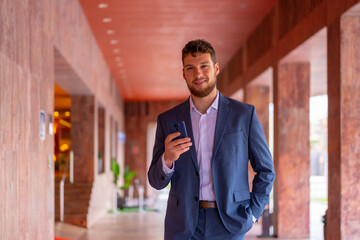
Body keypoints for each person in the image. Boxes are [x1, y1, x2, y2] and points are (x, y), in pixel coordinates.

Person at [148, 39, 275, 240]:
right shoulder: (168, 120)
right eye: (190, 68)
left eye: (204, 66)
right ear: (183, 73)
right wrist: (167, 159)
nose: (197, 74)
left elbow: (266, 170)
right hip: (182, 225)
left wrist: (252, 214)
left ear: (216, 68)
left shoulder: (244, 115)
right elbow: (155, 181)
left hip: (230, 223)